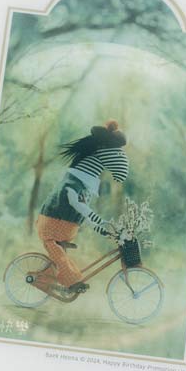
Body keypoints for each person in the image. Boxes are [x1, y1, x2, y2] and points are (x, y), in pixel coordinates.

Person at [35, 119, 128, 291]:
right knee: (60, 257)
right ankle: (72, 282)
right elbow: (76, 204)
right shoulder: (71, 184)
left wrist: (99, 227)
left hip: (66, 230)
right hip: (51, 226)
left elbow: (82, 210)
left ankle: (49, 281)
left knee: (59, 259)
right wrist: (99, 221)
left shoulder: (84, 187)